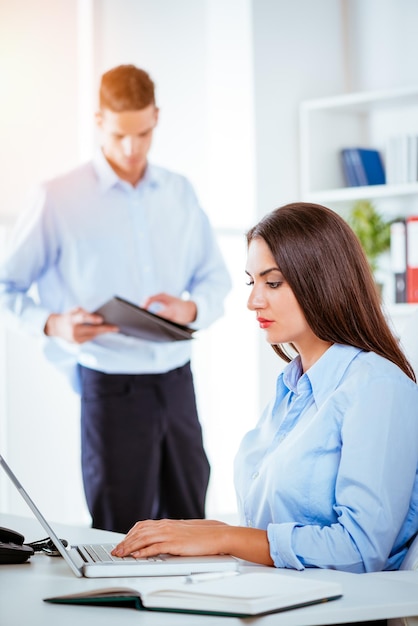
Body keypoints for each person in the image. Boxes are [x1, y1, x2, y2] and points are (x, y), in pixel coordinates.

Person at [112, 201, 418, 573]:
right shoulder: (293, 386)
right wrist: (189, 533)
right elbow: (269, 531)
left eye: (272, 282)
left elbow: (360, 548)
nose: (253, 301)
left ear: (321, 279)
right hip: (269, 593)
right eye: (251, 282)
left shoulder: (376, 389)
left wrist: (225, 538)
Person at [0, 64, 231, 534]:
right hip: (110, 386)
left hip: (177, 381)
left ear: (157, 117)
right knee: (118, 532)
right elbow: (7, 286)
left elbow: (214, 279)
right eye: (121, 134)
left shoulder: (179, 192)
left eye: (144, 134)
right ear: (99, 119)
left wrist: (191, 309)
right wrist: (54, 323)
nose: (132, 149)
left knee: (191, 521)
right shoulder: (57, 197)